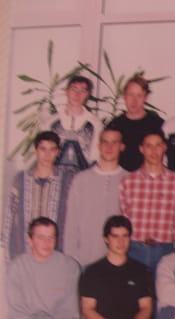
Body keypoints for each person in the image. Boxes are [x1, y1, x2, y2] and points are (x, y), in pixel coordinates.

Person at [119, 131, 175, 273]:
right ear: (141, 149)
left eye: (158, 145)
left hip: (165, 249)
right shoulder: (128, 181)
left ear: (164, 147)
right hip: (134, 248)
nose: (154, 151)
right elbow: (124, 216)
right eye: (149, 146)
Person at [63, 128, 129, 267]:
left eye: (114, 142)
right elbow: (71, 221)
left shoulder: (129, 180)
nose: (109, 147)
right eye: (105, 142)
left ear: (122, 147)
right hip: (85, 259)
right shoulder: (81, 179)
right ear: (99, 146)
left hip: (119, 260)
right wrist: (71, 256)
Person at [3, 131, 73, 261]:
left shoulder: (67, 181)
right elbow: (9, 216)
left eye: (52, 149)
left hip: (56, 253)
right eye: (43, 149)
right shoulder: (20, 179)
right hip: (25, 252)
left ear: (58, 152)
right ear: (35, 151)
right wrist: (6, 253)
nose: (47, 154)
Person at [42, 74, 103, 172]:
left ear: (88, 94)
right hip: (55, 175)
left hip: (84, 175)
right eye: (74, 89)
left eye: (83, 90)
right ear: (66, 91)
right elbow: (44, 153)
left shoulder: (95, 124)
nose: (77, 94)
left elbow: (96, 156)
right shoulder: (51, 122)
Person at [108, 75, 164, 172]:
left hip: (149, 176)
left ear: (145, 98)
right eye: (131, 95)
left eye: (139, 95)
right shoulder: (114, 125)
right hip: (121, 177)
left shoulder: (157, 124)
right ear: (124, 96)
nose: (134, 100)